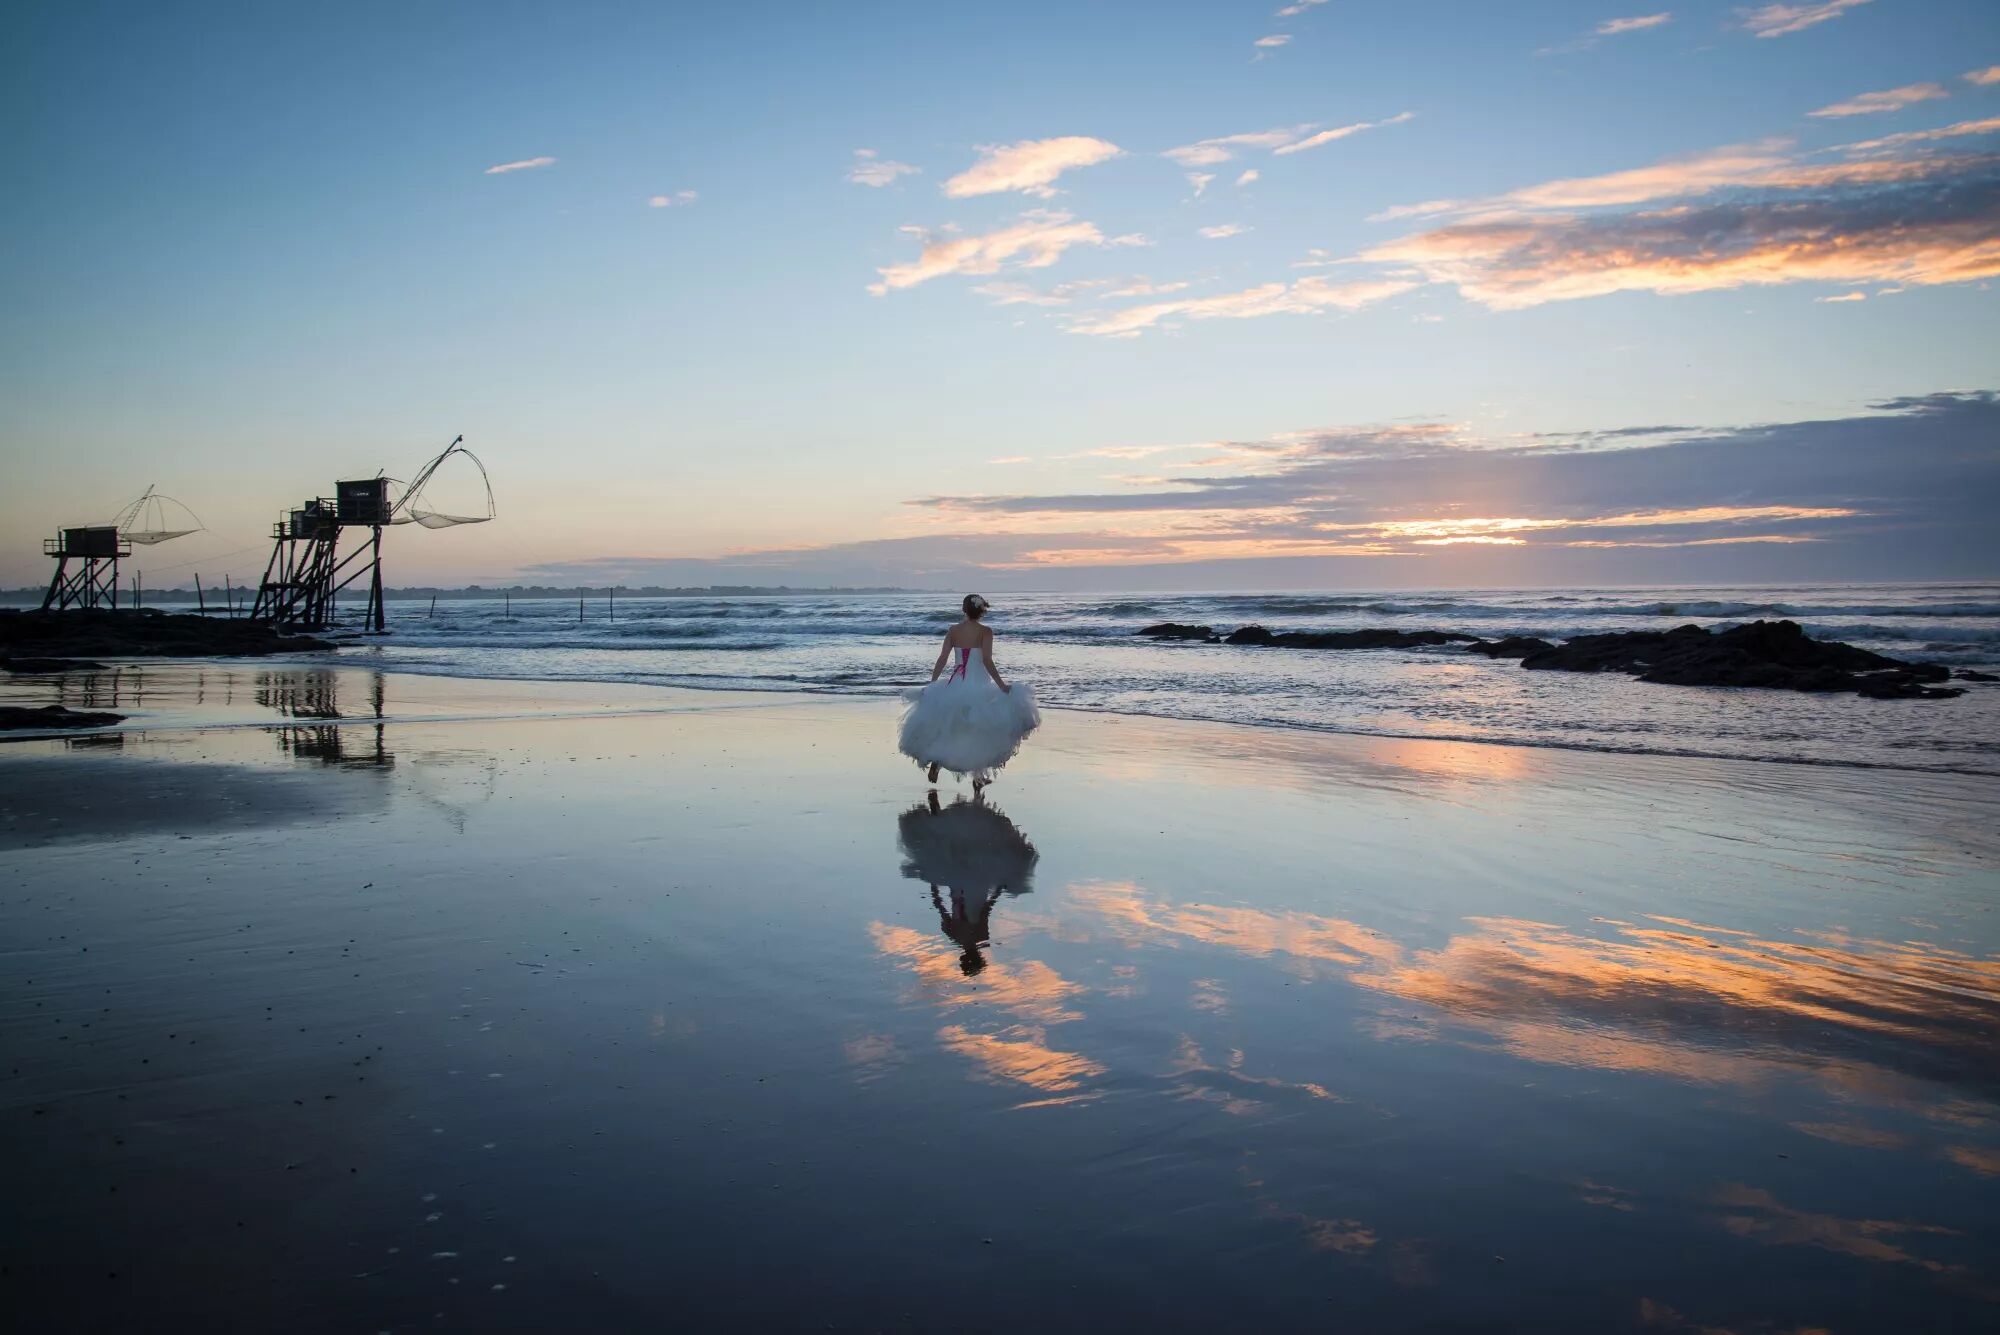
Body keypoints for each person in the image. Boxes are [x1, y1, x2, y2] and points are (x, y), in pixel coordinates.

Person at [897, 594, 1041, 790]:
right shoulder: (985, 632)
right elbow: (987, 661)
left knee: (951, 727)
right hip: (978, 684)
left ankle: (939, 763)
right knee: (978, 731)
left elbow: (942, 658)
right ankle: (977, 777)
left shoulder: (954, 631)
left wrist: (932, 684)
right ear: (982, 611)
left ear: (964, 610)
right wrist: (1002, 685)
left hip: (955, 684)